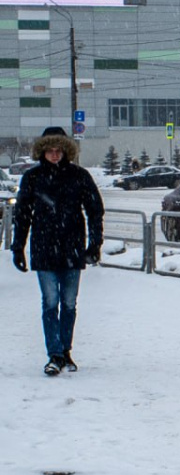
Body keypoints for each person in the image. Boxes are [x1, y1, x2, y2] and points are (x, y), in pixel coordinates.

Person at [10, 127, 105, 376]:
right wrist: (18, 247)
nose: (54, 155)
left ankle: (65, 350)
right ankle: (55, 353)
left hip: (72, 248)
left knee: (69, 303)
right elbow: (22, 214)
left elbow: (95, 210)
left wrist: (95, 243)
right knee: (50, 302)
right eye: (50, 150)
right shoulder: (33, 178)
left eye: (59, 150)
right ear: (43, 152)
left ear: (66, 151)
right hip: (43, 248)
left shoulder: (79, 176)